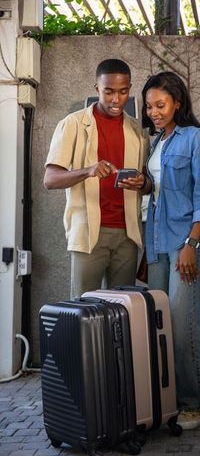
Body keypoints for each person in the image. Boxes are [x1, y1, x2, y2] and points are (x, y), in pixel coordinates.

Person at [141, 71, 200, 430]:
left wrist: (192, 243)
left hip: (185, 243)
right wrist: (142, 183)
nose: (154, 111)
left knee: (184, 325)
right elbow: (160, 194)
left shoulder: (197, 139)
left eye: (160, 104)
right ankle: (172, 400)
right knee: (161, 326)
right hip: (157, 243)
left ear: (178, 103)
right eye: (149, 106)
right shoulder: (155, 142)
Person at [44, 59, 149, 298]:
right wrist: (87, 171)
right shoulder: (72, 124)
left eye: (123, 92)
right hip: (89, 233)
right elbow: (50, 179)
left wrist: (141, 183)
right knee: (84, 312)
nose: (115, 99)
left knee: (122, 312)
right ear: (96, 88)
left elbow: (147, 183)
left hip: (127, 234)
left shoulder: (137, 131)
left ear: (129, 89)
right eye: (108, 91)